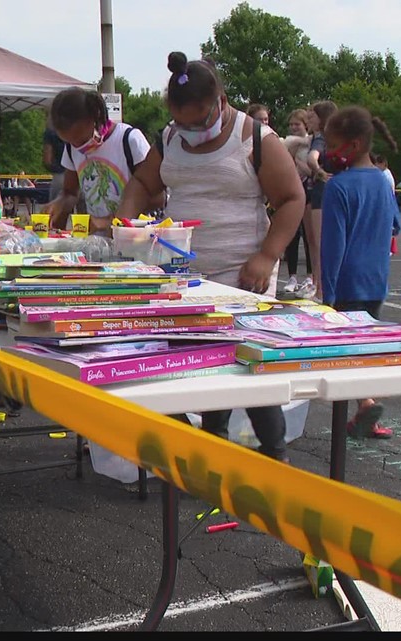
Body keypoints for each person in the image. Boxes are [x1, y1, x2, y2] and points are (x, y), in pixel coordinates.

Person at [114, 51, 306, 462]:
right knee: (202, 364)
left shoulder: (256, 138)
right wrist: (125, 230)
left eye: (198, 121)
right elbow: (141, 182)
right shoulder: (169, 139)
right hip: (185, 277)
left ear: (220, 101)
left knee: (250, 369)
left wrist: (267, 255)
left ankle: (276, 459)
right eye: (182, 122)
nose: (191, 130)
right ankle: (210, 451)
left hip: (243, 277)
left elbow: (292, 199)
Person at [320, 105, 401, 439]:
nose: (327, 153)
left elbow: (332, 247)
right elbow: (395, 225)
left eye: (331, 144)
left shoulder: (338, 187)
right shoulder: (383, 182)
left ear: (351, 146)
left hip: (347, 284)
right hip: (376, 281)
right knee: (367, 347)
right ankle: (367, 409)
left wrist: (327, 293)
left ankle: (364, 405)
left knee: (345, 353)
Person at [45, 87, 155, 235]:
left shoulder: (129, 140)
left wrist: (109, 220)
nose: (79, 148)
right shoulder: (72, 148)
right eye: (71, 142)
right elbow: (70, 192)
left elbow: (156, 197)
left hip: (134, 238)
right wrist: (59, 203)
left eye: (82, 140)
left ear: (95, 118)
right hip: (97, 241)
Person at [305, 100, 338, 300]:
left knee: (319, 243)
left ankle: (320, 290)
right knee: (322, 243)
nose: (309, 119)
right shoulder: (337, 140)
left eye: (312, 116)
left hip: (321, 191)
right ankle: (320, 287)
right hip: (329, 192)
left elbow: (312, 158)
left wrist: (318, 171)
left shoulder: (320, 139)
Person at [280, 108, 315, 298]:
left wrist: (296, 163)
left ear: (305, 125)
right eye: (291, 124)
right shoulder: (289, 142)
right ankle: (292, 277)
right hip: (292, 191)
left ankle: (310, 276)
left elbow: (312, 171)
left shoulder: (312, 143)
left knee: (310, 237)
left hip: (308, 191)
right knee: (292, 236)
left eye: (297, 124)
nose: (294, 127)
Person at [42, 125, 68, 203]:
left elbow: (47, 159)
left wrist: (55, 168)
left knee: (56, 209)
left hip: (60, 173)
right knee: (84, 212)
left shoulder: (51, 131)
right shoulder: (80, 126)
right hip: (80, 173)